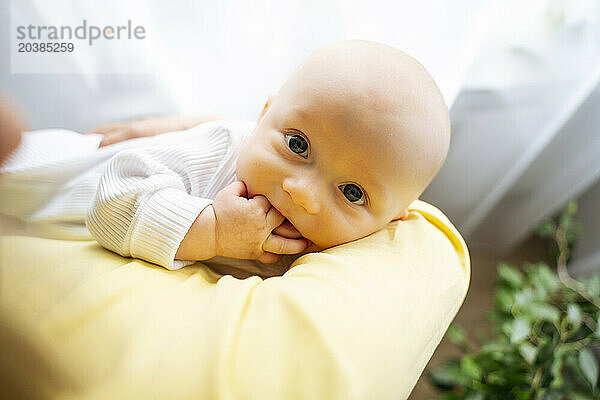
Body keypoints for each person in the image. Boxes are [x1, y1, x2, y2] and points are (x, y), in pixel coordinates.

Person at [0, 40, 451, 277]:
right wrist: (211, 230)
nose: (301, 192)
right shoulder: (222, 151)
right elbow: (111, 198)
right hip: (35, 181)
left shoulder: (343, 257)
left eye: (352, 192)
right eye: (297, 145)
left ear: (394, 218)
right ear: (264, 117)